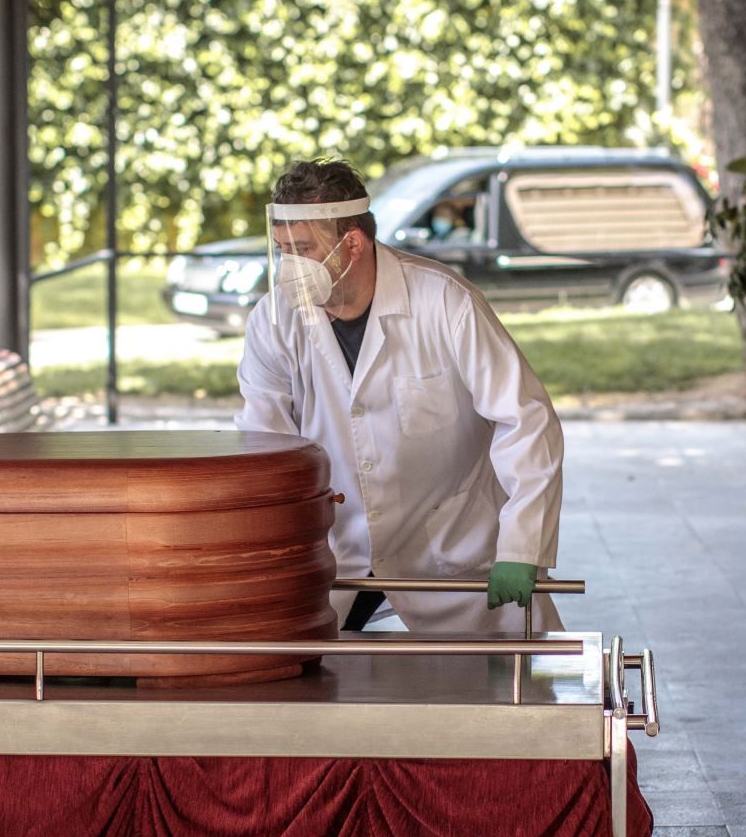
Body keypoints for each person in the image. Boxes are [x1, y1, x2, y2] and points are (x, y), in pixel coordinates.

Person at [236, 157, 564, 637]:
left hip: (451, 557)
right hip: (338, 554)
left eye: (303, 249)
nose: (291, 268)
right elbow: (264, 446)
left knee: (495, 699)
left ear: (351, 244)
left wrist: (522, 547)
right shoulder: (274, 320)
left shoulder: (444, 301)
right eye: (283, 250)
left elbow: (525, 419)